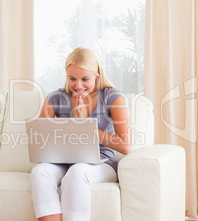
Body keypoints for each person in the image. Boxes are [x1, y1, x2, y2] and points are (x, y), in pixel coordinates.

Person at [29, 47, 131, 221]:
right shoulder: (55, 98)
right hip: (63, 162)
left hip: (101, 162)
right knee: (40, 172)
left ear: (96, 74)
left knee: (77, 172)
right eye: (72, 79)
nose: (78, 85)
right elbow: (39, 139)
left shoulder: (112, 98)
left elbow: (125, 146)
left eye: (85, 79)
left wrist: (85, 126)